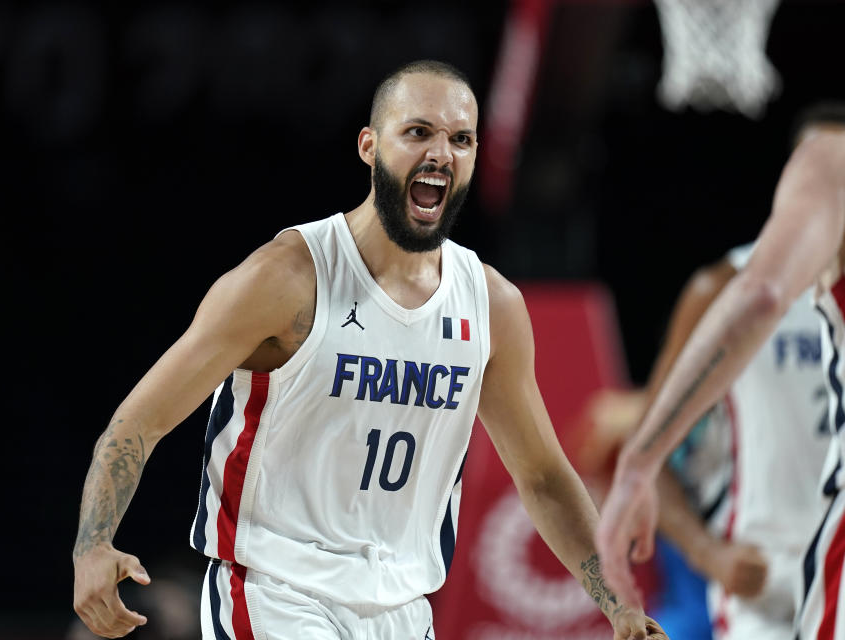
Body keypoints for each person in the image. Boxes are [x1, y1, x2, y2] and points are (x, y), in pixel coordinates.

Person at [71, 60, 667, 640]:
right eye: (418, 132)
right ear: (369, 146)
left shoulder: (491, 305)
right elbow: (138, 423)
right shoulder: (288, 277)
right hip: (276, 593)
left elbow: (541, 475)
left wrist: (616, 601)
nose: (441, 153)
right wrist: (93, 543)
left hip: (403, 608)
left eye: (461, 138)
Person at [594, 105, 845, 640]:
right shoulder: (724, 287)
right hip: (765, 583)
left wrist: (635, 468)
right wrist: (709, 553)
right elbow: (647, 440)